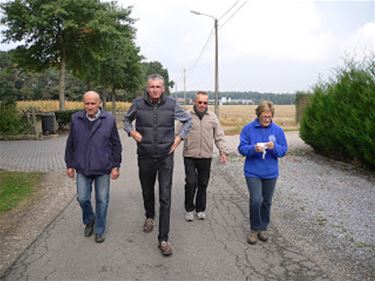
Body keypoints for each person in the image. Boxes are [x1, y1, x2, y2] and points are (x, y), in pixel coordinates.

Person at [124, 74, 192, 256]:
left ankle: (163, 238)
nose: (155, 89)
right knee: (147, 190)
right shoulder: (138, 104)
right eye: (152, 86)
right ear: (147, 88)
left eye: (158, 87)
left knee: (165, 196)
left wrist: (179, 138)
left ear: (163, 89)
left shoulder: (171, 104)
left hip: (165, 157)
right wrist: (131, 132)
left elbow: (188, 120)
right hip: (145, 155)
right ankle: (149, 216)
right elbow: (125, 120)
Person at [65, 91, 122, 243]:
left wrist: (116, 165)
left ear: (99, 104)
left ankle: (99, 230)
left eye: (93, 103)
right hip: (82, 167)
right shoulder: (76, 119)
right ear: (83, 103)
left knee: (102, 200)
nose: (89, 106)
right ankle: (90, 219)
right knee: (82, 198)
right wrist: (69, 164)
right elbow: (71, 143)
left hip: (103, 167)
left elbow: (116, 144)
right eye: (87, 103)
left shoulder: (109, 119)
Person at [238, 100, 288, 245]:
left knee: (266, 202)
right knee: (256, 200)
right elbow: (241, 149)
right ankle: (254, 229)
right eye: (264, 116)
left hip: (270, 173)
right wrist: (254, 149)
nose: (267, 119)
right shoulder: (248, 129)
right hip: (252, 171)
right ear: (258, 115)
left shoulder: (277, 130)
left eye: (269, 116)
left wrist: (274, 147)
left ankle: (263, 228)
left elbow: (283, 151)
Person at [181, 91, 228, 222]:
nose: (202, 105)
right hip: (189, 155)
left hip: (206, 156)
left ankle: (200, 209)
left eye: (205, 102)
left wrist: (223, 151)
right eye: (200, 102)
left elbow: (219, 136)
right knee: (191, 182)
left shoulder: (212, 117)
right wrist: (169, 146)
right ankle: (189, 209)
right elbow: (177, 132)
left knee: (203, 183)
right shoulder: (186, 116)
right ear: (194, 102)